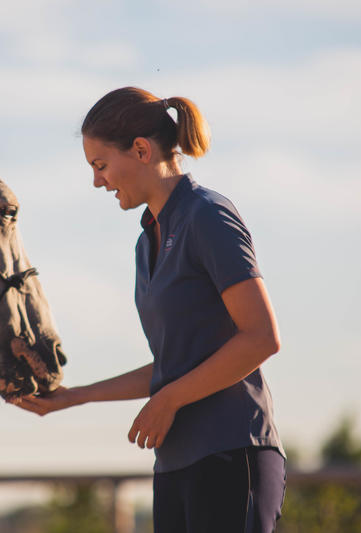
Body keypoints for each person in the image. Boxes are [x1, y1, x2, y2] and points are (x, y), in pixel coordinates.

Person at [15, 87, 285, 533]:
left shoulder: (208, 216)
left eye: (100, 165)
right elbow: (174, 366)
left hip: (232, 454)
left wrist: (170, 399)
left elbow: (261, 338)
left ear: (141, 150)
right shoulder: (146, 244)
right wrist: (71, 398)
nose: (97, 181)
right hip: (175, 465)